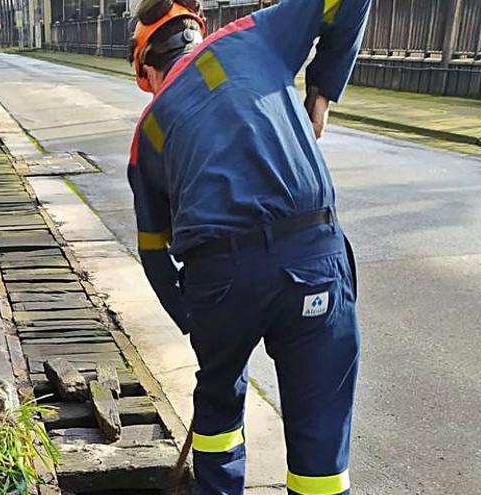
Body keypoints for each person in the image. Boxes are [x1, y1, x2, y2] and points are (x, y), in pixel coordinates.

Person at [126, 0, 370, 493]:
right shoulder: (252, 35)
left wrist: (196, 323)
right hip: (312, 256)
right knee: (320, 441)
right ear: (197, 31)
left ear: (149, 70)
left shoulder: (148, 132)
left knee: (218, 410)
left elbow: (154, 252)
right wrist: (321, 91)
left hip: (220, 281)